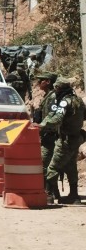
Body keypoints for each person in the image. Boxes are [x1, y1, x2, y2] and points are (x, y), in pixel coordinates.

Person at [39, 76, 85, 204]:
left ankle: (48, 196)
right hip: (76, 138)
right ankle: (74, 196)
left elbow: (57, 119)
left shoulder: (64, 101)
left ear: (59, 88)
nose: (56, 90)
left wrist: (42, 125)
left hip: (65, 140)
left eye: (57, 88)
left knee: (53, 167)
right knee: (71, 167)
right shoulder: (79, 100)